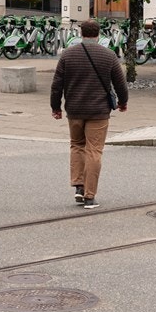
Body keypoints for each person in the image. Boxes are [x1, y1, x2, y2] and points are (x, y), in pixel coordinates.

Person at [50, 20, 128, 211]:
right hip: (99, 112)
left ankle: (79, 185)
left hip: (74, 110)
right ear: (98, 34)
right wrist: (123, 102)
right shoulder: (108, 56)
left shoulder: (68, 55)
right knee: (94, 150)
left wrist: (56, 107)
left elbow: (56, 85)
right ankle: (90, 196)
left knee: (77, 145)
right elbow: (120, 84)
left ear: (81, 33)